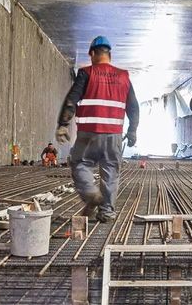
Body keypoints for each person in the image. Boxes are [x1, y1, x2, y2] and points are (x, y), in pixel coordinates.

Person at [55, 36, 139, 223]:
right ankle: (107, 212)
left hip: (88, 134)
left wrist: (63, 124)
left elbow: (71, 100)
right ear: (109, 54)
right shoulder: (124, 76)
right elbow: (133, 106)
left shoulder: (86, 73)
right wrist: (133, 130)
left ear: (92, 53)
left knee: (80, 164)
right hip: (114, 137)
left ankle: (91, 193)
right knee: (110, 171)